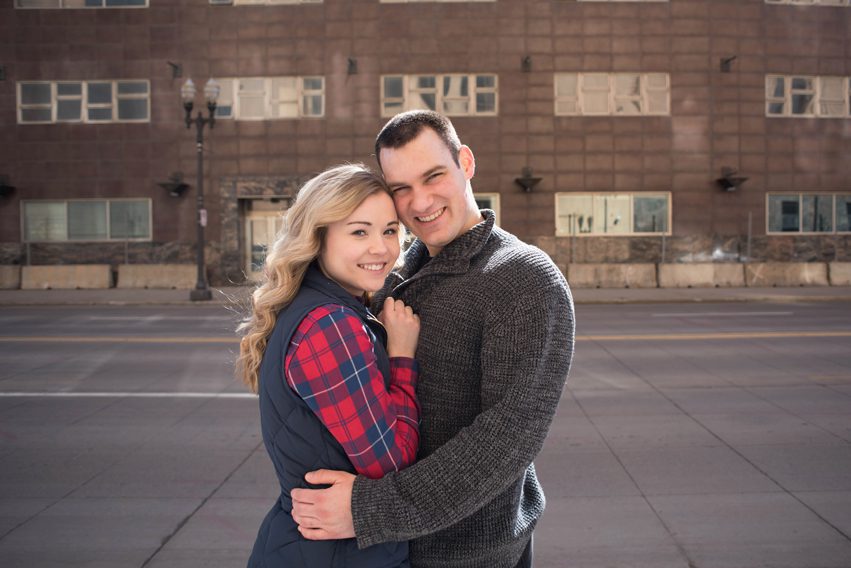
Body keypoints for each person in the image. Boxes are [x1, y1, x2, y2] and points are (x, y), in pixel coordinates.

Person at [290, 111, 575, 568]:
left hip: (466, 554)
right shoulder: (395, 271)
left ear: (466, 162)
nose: (420, 202)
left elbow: (506, 440)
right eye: (401, 188)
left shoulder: (523, 279)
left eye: (433, 176)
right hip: (386, 550)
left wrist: (372, 509)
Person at [238, 163, 422, 567]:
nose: (382, 249)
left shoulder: (316, 305)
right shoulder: (330, 325)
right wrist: (402, 355)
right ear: (317, 237)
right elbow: (391, 465)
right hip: (336, 552)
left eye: (390, 230)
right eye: (359, 232)